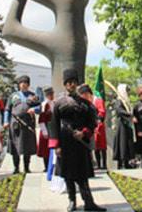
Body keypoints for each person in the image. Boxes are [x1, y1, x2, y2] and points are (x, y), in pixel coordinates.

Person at [49, 70, 105, 212]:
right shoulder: (58, 103)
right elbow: (54, 125)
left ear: (77, 84)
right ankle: (72, 201)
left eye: (73, 82)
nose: (71, 85)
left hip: (80, 143)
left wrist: (84, 132)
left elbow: (92, 122)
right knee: (68, 174)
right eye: (68, 82)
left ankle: (89, 203)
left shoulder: (86, 104)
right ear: (65, 84)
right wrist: (56, 146)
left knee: (82, 173)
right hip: (65, 142)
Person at [4, 75, 40, 174]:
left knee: (27, 147)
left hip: (28, 124)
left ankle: (27, 167)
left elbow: (41, 107)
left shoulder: (33, 96)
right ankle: (16, 168)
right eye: (21, 83)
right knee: (15, 147)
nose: (23, 85)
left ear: (28, 85)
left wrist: (35, 109)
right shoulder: (13, 95)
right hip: (15, 124)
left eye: (25, 83)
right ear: (19, 85)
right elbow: (7, 109)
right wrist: (5, 121)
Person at [113, 84, 135, 169]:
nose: (128, 93)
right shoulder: (119, 101)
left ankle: (127, 161)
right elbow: (119, 111)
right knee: (122, 143)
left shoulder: (126, 101)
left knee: (127, 143)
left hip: (127, 125)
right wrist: (129, 115)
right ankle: (121, 162)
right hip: (121, 124)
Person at [37, 87, 54, 172]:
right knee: (45, 149)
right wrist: (44, 131)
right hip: (46, 128)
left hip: (52, 127)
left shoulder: (53, 103)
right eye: (49, 94)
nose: (51, 96)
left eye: (52, 94)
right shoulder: (44, 104)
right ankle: (46, 166)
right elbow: (41, 119)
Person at [93, 90, 108, 170]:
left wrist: (98, 119)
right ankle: (98, 164)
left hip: (99, 125)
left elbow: (102, 112)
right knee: (95, 146)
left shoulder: (98, 100)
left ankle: (104, 164)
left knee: (102, 145)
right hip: (92, 125)